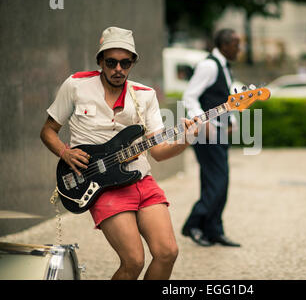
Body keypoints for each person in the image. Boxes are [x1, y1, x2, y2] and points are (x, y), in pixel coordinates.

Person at [40, 26, 199, 280]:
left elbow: (157, 152)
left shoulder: (145, 96)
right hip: (101, 184)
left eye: (125, 63)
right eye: (111, 62)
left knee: (168, 252)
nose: (118, 69)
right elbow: (48, 130)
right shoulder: (76, 85)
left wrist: (187, 139)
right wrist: (65, 153)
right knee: (133, 261)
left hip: (141, 181)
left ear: (133, 62)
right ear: (100, 61)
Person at [181, 28, 241, 247]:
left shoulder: (223, 66)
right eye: (236, 44)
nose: (239, 49)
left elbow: (223, 99)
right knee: (218, 181)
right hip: (207, 134)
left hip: (220, 132)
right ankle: (193, 225)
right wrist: (202, 123)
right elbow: (189, 96)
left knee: (216, 182)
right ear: (224, 45)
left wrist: (231, 122)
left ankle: (213, 229)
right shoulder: (209, 65)